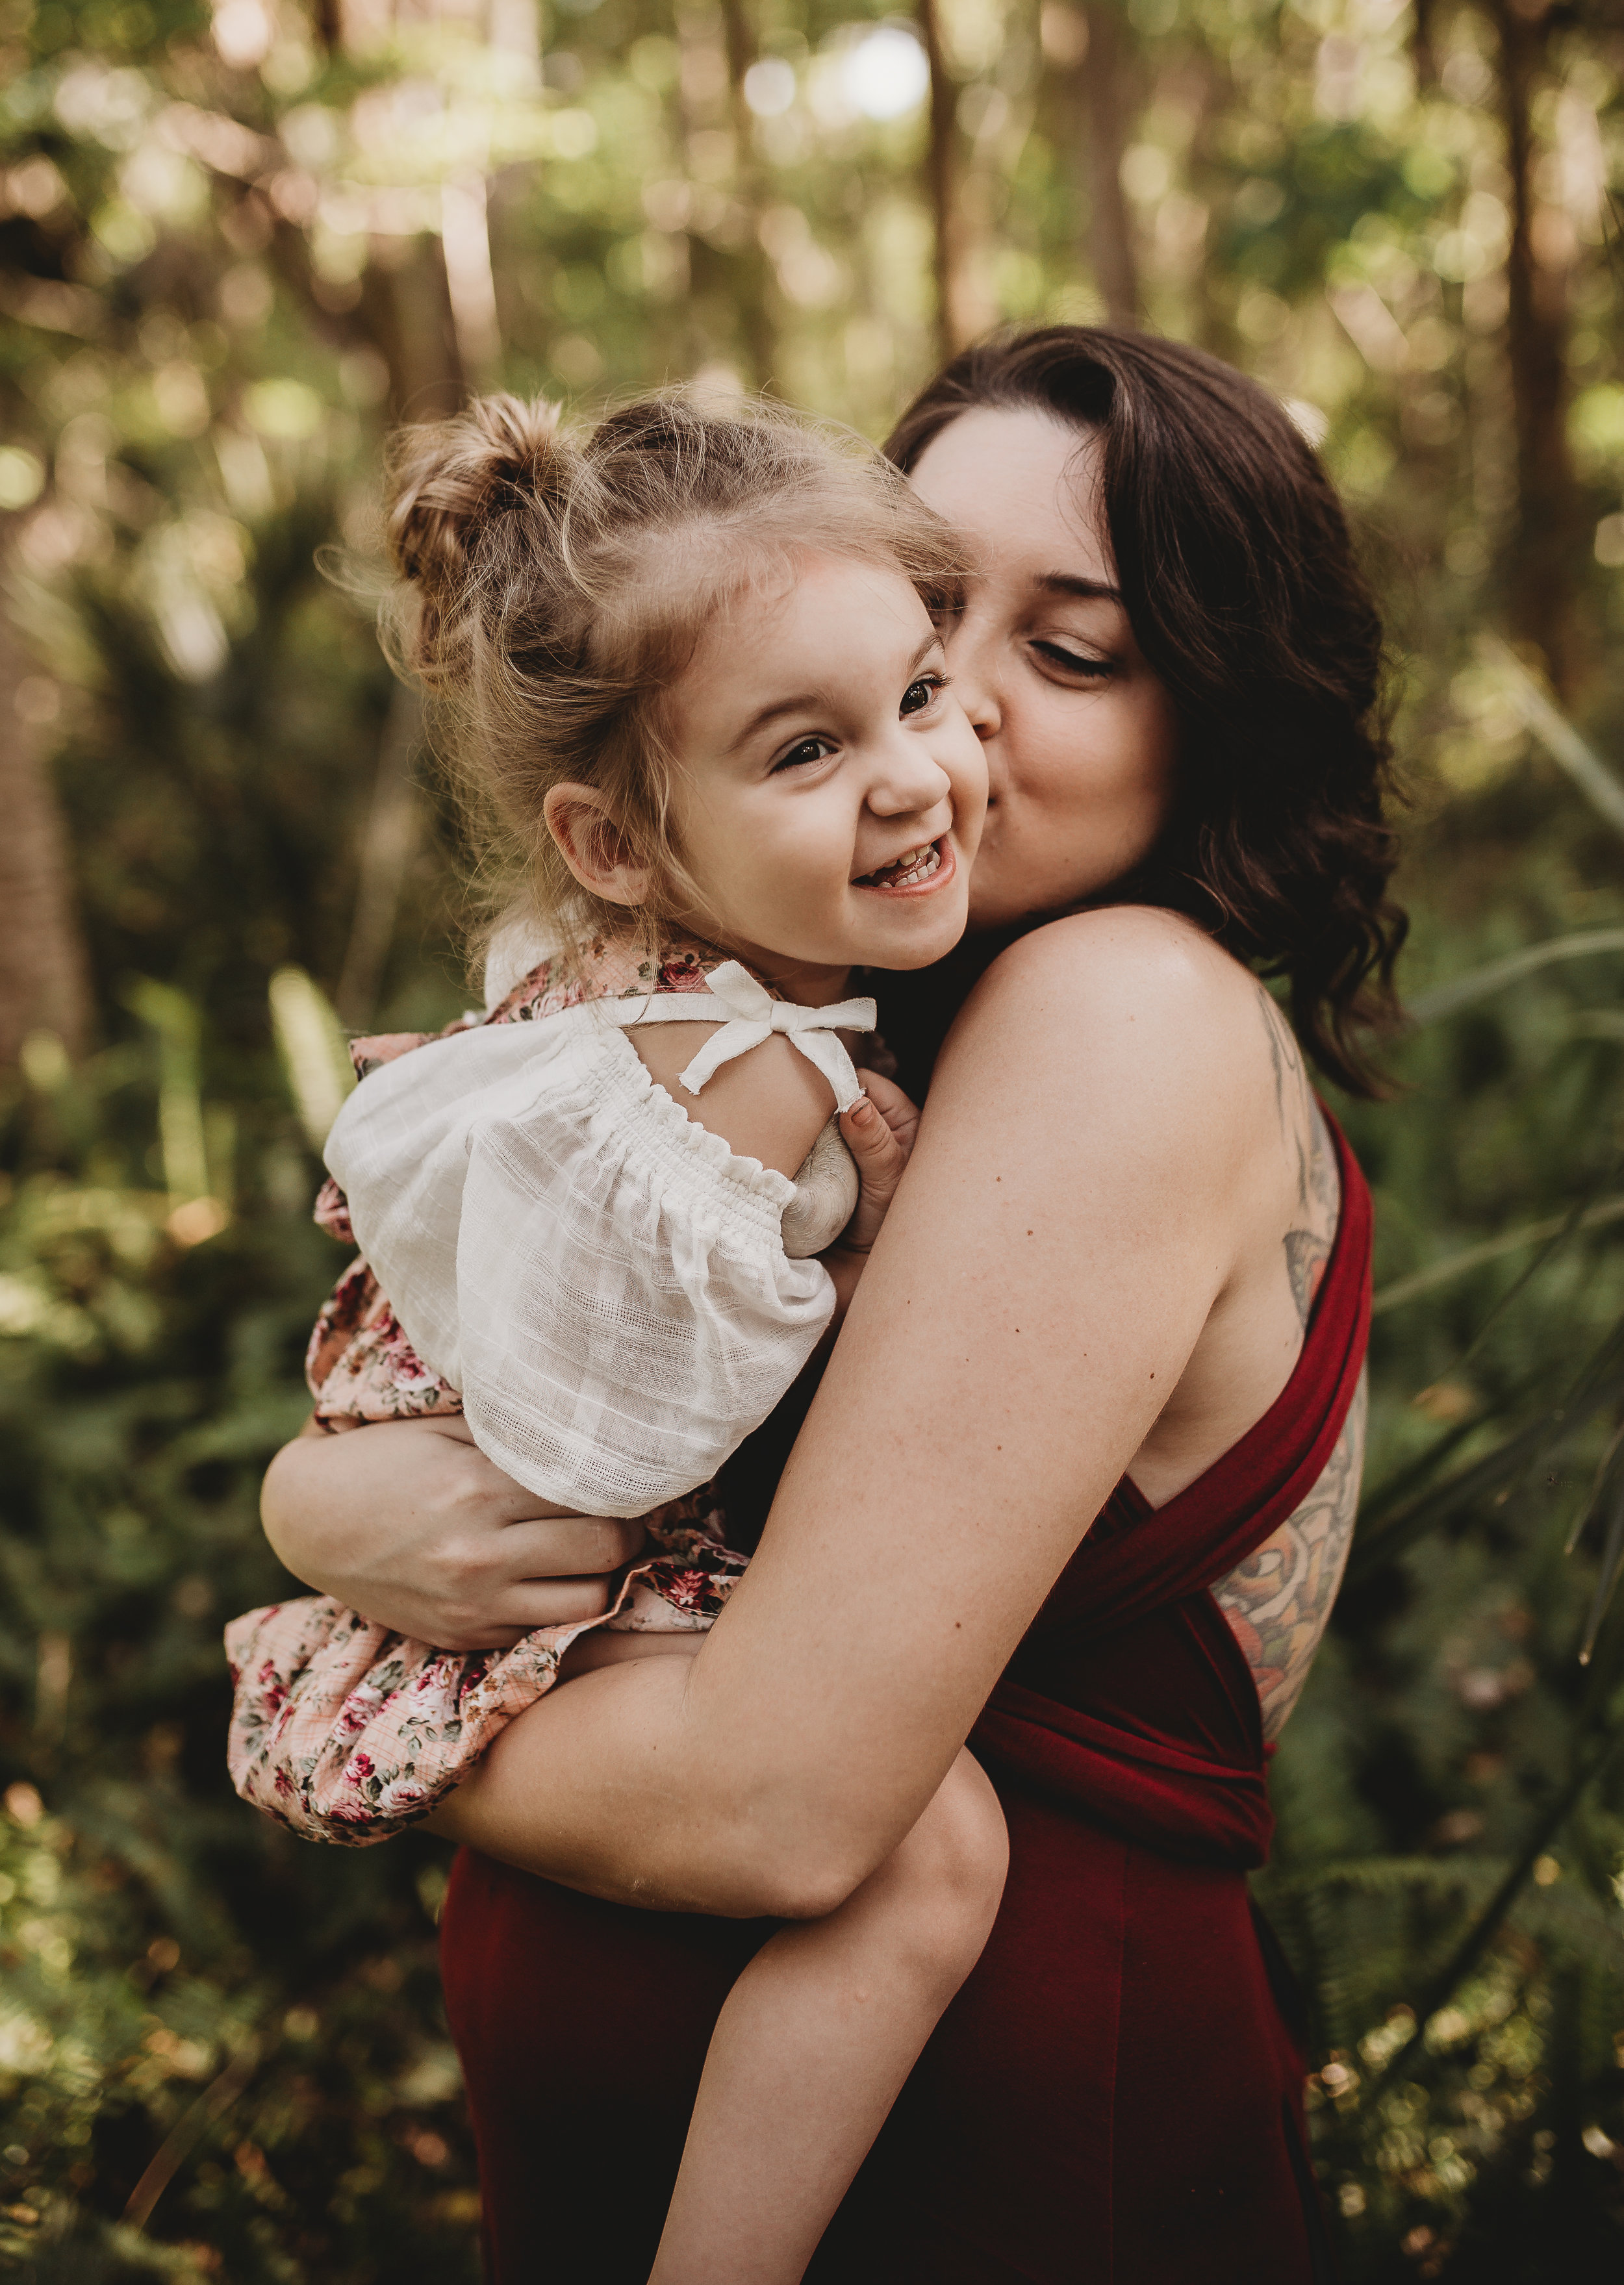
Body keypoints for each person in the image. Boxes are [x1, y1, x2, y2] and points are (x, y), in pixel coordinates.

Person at [260, 325, 1403, 2283]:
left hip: (984, 2155)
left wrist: (320, 1683)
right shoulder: (797, 1031)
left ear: (1208, 710)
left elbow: (778, 1801)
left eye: (1071, 650)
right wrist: (335, 1503)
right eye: (925, 616)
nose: (944, 724)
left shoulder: (1116, 1008)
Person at [229, 386, 1011, 2285]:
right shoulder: (741, 1083)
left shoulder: (701, 991)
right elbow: (618, 1442)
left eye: (919, 693)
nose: (913, 775)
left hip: (485, 1493)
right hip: (558, 1526)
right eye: (804, 750)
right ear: (616, 843)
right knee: (931, 1858)